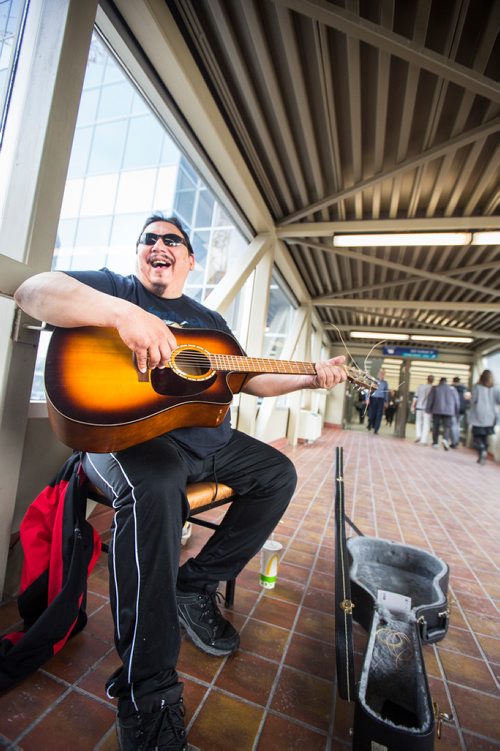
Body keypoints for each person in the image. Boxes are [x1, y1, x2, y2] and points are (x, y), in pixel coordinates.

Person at [14, 213, 347, 751]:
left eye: (172, 239)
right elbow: (33, 289)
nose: (158, 245)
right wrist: (125, 315)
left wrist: (312, 373)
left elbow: (252, 378)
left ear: (189, 259)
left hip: (204, 445)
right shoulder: (114, 289)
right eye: (149, 239)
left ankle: (193, 588)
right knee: (158, 485)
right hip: (125, 440)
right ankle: (148, 694)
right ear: (139, 254)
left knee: (276, 473)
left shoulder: (208, 323)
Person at [468, 369, 500, 465]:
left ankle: (481, 449)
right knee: (485, 437)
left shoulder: (476, 387)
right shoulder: (496, 388)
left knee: (476, 436)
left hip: (478, 415)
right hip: (491, 417)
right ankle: (483, 453)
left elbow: (473, 400)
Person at [426, 377, 459, 450]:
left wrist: (428, 409)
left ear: (440, 381)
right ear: (446, 382)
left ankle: (435, 443)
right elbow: (457, 401)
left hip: (437, 410)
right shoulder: (452, 389)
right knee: (447, 427)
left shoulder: (435, 388)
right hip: (449, 411)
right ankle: (445, 439)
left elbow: (430, 399)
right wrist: (456, 411)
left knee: (436, 426)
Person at [410, 375, 434, 444]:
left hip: (419, 407)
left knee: (418, 422)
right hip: (428, 409)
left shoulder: (420, 386)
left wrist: (412, 406)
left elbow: (415, 397)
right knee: (426, 424)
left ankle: (418, 435)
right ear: (433, 380)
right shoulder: (433, 388)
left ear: (427, 379)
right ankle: (423, 440)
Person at [367, 368, 389, 434]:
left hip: (381, 399)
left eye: (383, 373)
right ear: (378, 373)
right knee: (372, 414)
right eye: (380, 372)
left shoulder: (385, 383)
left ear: (384, 374)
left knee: (379, 415)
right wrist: (367, 398)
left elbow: (386, 392)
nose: (381, 374)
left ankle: (376, 429)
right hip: (373, 398)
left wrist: (386, 401)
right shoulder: (374, 381)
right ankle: (370, 424)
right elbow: (369, 389)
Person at [450, 376, 468, 447]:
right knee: (457, 425)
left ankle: (454, 442)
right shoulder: (465, 388)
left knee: (453, 425)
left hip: (454, 409)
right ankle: (457, 440)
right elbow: (468, 399)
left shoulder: (452, 388)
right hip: (462, 410)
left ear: (453, 381)